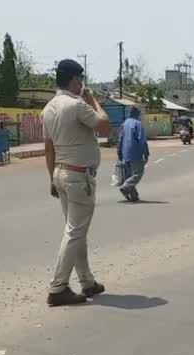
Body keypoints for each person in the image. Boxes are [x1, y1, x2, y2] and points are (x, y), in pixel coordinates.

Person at [42, 59, 110, 306]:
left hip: (60, 174)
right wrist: (92, 100)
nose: (81, 84)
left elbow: (48, 148)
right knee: (75, 231)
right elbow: (104, 127)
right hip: (78, 177)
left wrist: (51, 178)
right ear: (75, 80)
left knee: (76, 230)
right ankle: (58, 287)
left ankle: (87, 282)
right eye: (80, 79)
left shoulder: (48, 108)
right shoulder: (77, 105)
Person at [117, 107, 150, 202]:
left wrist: (119, 153)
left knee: (130, 174)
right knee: (138, 173)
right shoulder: (137, 124)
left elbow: (120, 139)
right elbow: (142, 140)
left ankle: (134, 196)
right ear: (137, 114)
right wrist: (146, 153)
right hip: (135, 152)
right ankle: (125, 186)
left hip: (125, 153)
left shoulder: (124, 123)